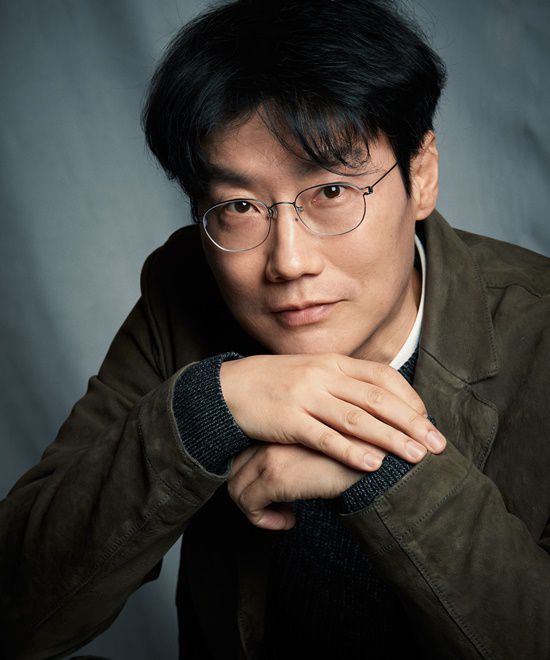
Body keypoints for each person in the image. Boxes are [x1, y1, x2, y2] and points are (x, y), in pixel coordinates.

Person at [2, 0, 549, 658]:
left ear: (422, 173)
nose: (289, 262)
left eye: (332, 192)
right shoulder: (185, 291)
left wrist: (377, 467)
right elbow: (17, 611)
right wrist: (206, 410)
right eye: (239, 206)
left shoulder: (539, 331)